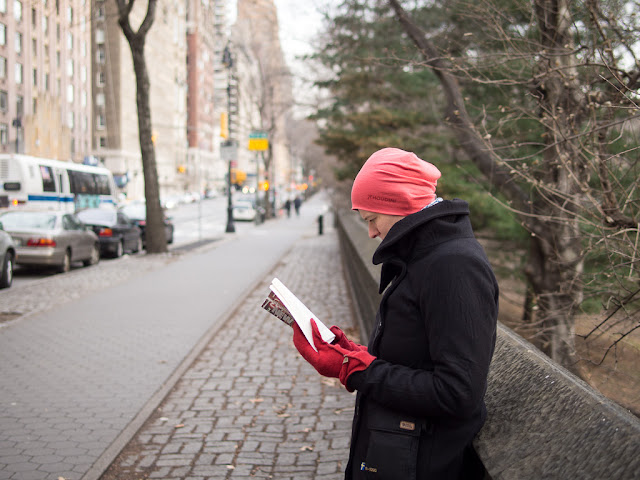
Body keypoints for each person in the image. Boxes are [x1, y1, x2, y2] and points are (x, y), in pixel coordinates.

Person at [292, 147, 498, 479]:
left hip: (423, 463)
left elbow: (457, 391)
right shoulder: (423, 256)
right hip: (400, 454)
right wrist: (356, 354)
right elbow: (416, 356)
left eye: (371, 219)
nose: (371, 233)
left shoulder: (454, 266)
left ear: (398, 203)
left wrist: (355, 371)